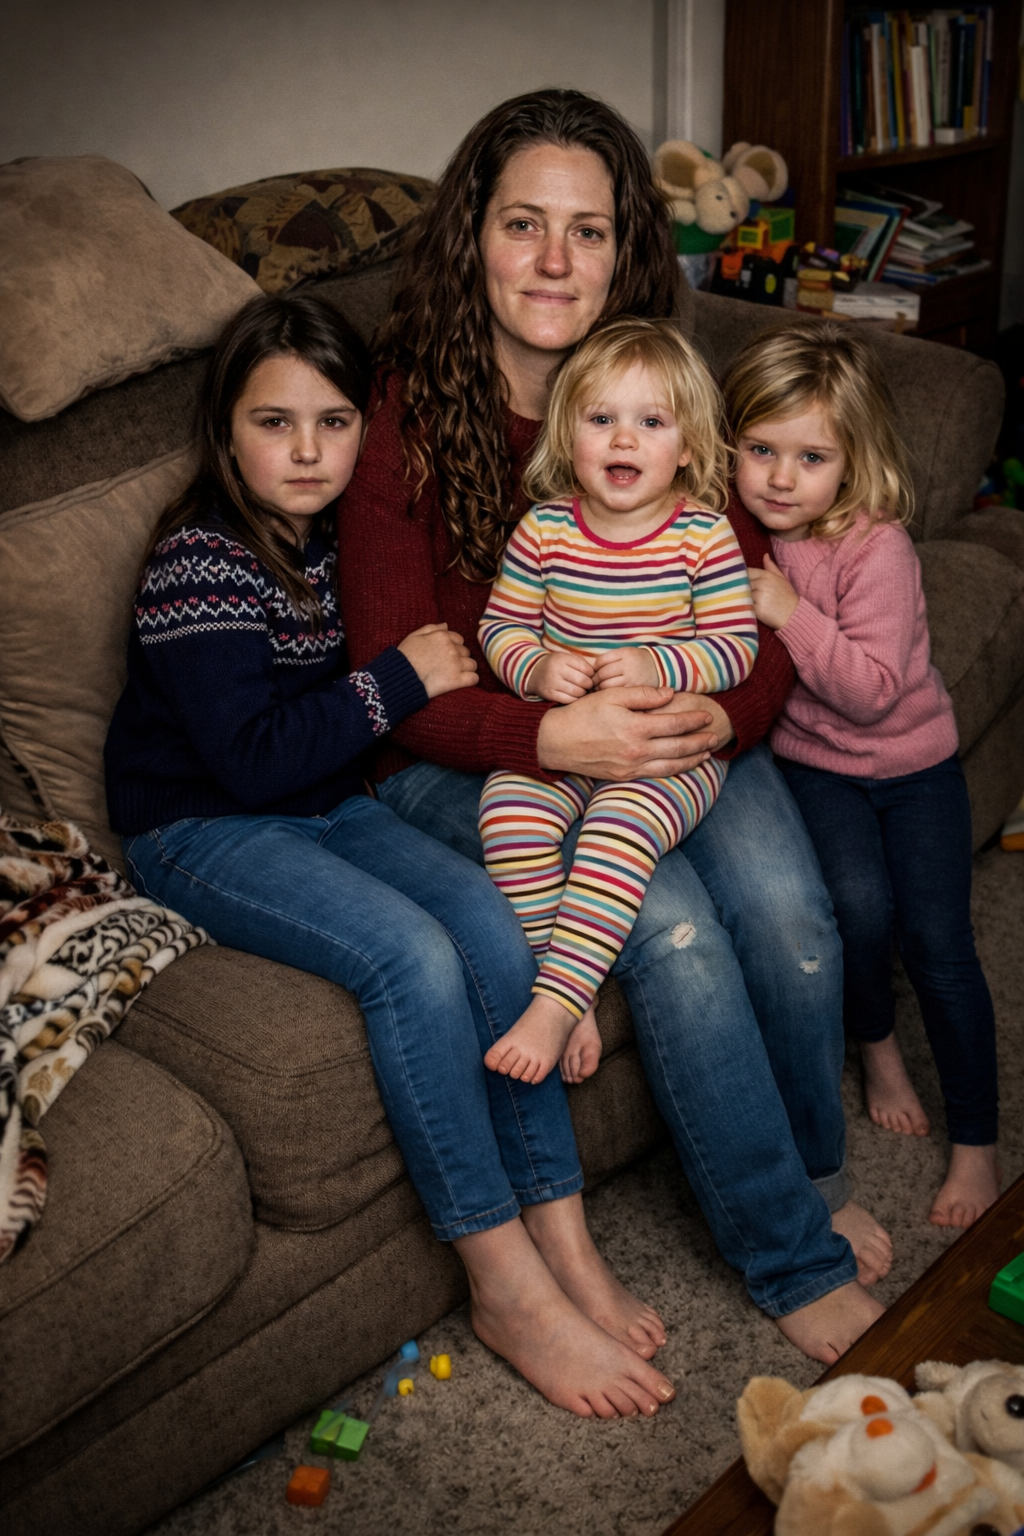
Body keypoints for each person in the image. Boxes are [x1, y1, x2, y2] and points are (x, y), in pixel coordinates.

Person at [339, 87, 893, 1365]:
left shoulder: (660, 391)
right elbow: (395, 680)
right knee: (678, 929)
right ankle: (790, 1258)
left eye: (585, 231)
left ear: (623, 247)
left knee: (789, 911)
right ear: (471, 235)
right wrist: (551, 739)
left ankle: (811, 1173)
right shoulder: (404, 416)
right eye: (522, 223)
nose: (553, 260)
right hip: (474, 750)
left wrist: (710, 709)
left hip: (668, 728)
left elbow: (750, 625)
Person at [104, 292, 678, 1421]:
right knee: (412, 959)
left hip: (329, 803)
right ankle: (505, 1285)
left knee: (488, 921)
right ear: (224, 430)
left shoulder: (326, 541)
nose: (307, 451)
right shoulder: (199, 561)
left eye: (333, 422)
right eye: (274, 423)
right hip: (201, 829)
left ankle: (565, 1241)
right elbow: (250, 761)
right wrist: (398, 682)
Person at [724, 318, 1000, 1230]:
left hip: (913, 766)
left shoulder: (876, 549)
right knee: (856, 910)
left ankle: (977, 1140)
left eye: (811, 458)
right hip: (815, 769)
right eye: (760, 450)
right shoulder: (738, 534)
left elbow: (875, 693)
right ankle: (878, 1046)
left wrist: (790, 612)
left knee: (939, 943)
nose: (780, 478)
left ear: (853, 462)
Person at [478, 317, 757, 1087]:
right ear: (566, 434)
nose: (624, 439)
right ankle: (570, 988)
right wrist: (537, 668)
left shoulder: (703, 536)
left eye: (652, 422)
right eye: (601, 419)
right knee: (506, 816)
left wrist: (655, 662)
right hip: (569, 736)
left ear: (689, 446)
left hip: (670, 752)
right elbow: (500, 628)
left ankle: (553, 1004)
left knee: (615, 830)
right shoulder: (543, 530)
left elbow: (736, 647)